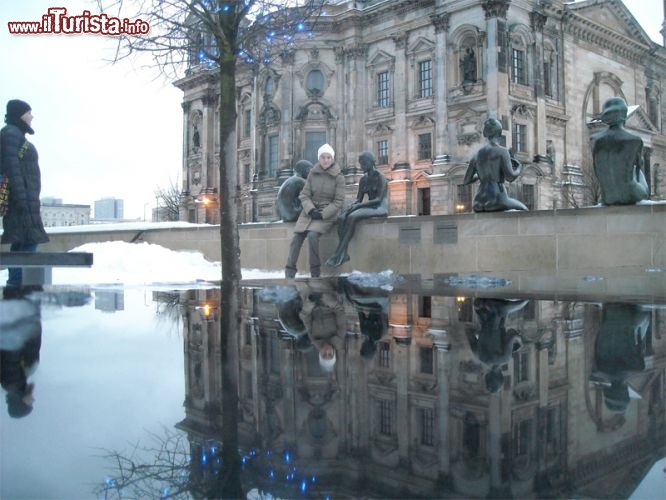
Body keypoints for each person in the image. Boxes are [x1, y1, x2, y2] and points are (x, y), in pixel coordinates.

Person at [1, 99, 49, 286]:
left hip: (26, 200)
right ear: (20, 114)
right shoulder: (10, 135)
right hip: (21, 201)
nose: (32, 116)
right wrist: (21, 199)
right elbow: (12, 169)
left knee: (24, 242)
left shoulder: (15, 135)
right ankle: (17, 286)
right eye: (29, 113)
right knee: (26, 243)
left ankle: (18, 285)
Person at [285, 144, 344, 278]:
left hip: (326, 214)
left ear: (332, 159)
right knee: (297, 238)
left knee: (312, 235)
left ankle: (315, 272)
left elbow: (338, 202)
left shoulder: (339, 177)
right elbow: (304, 195)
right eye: (323, 157)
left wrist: (322, 214)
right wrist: (311, 210)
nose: (326, 160)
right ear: (319, 158)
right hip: (309, 213)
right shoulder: (312, 173)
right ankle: (289, 272)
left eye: (328, 157)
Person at [326, 151, 388, 268]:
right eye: (360, 164)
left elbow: (379, 199)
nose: (361, 167)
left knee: (353, 217)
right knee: (341, 217)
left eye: (363, 164)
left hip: (380, 207)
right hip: (369, 206)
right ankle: (344, 253)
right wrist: (351, 207)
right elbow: (359, 199)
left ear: (371, 162)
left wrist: (358, 206)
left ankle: (338, 253)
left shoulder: (380, 177)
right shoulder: (363, 179)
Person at [591, 97, 649, 205]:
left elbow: (596, 169)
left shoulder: (594, 140)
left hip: (607, 197)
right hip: (630, 194)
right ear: (624, 115)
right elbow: (637, 170)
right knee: (637, 170)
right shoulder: (635, 140)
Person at [463, 118, 528, 212]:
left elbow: (466, 180)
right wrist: (519, 168)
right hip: (496, 199)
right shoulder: (502, 151)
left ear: (485, 133)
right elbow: (510, 177)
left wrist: (481, 175)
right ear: (499, 133)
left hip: (478, 201)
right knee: (524, 210)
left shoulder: (476, 154)